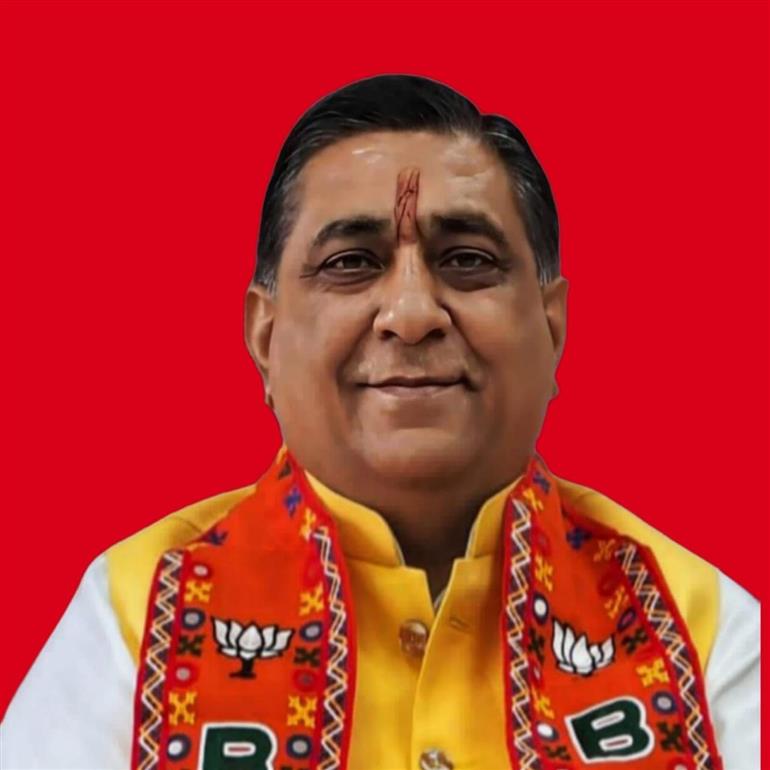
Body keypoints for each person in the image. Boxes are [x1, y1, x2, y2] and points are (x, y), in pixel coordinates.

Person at [1, 74, 760, 770]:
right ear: (265, 336)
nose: (412, 312)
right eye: (351, 263)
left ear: (552, 326)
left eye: (467, 260)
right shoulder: (138, 615)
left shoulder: (695, 626)